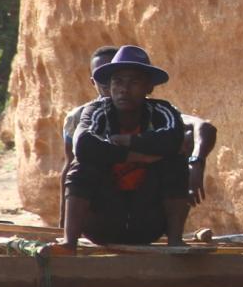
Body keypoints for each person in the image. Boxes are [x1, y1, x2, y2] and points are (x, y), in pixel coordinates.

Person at [60, 45, 197, 248]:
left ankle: (175, 240)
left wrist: (130, 141)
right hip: (103, 222)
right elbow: (84, 146)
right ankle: (69, 242)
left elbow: (173, 139)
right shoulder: (96, 111)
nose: (124, 89)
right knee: (84, 165)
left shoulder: (162, 111)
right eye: (118, 81)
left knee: (175, 162)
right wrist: (137, 156)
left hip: (147, 222)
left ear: (148, 87)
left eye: (134, 82)